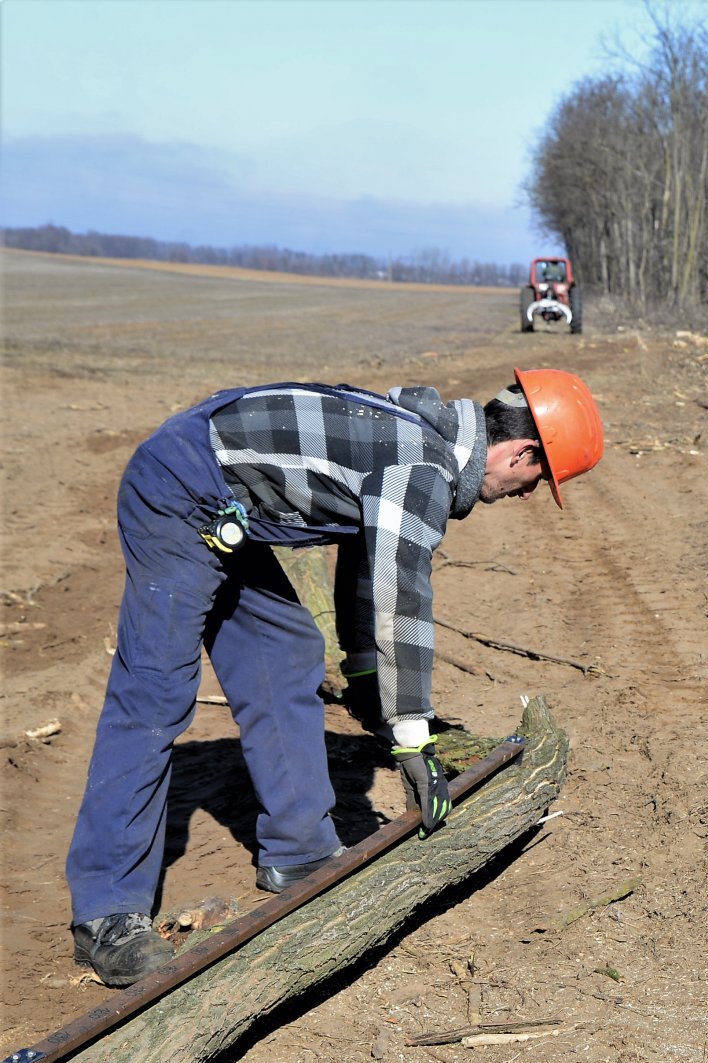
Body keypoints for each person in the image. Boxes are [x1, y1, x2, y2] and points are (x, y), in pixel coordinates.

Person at [65, 368, 605, 986]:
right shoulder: (421, 467)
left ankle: (300, 854)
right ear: (521, 452)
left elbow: (366, 557)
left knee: (284, 648)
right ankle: (106, 914)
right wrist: (412, 740)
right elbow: (402, 601)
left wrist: (368, 676)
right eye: (538, 479)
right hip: (180, 487)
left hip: (221, 493)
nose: (530, 493)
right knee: (155, 692)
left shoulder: (417, 441)